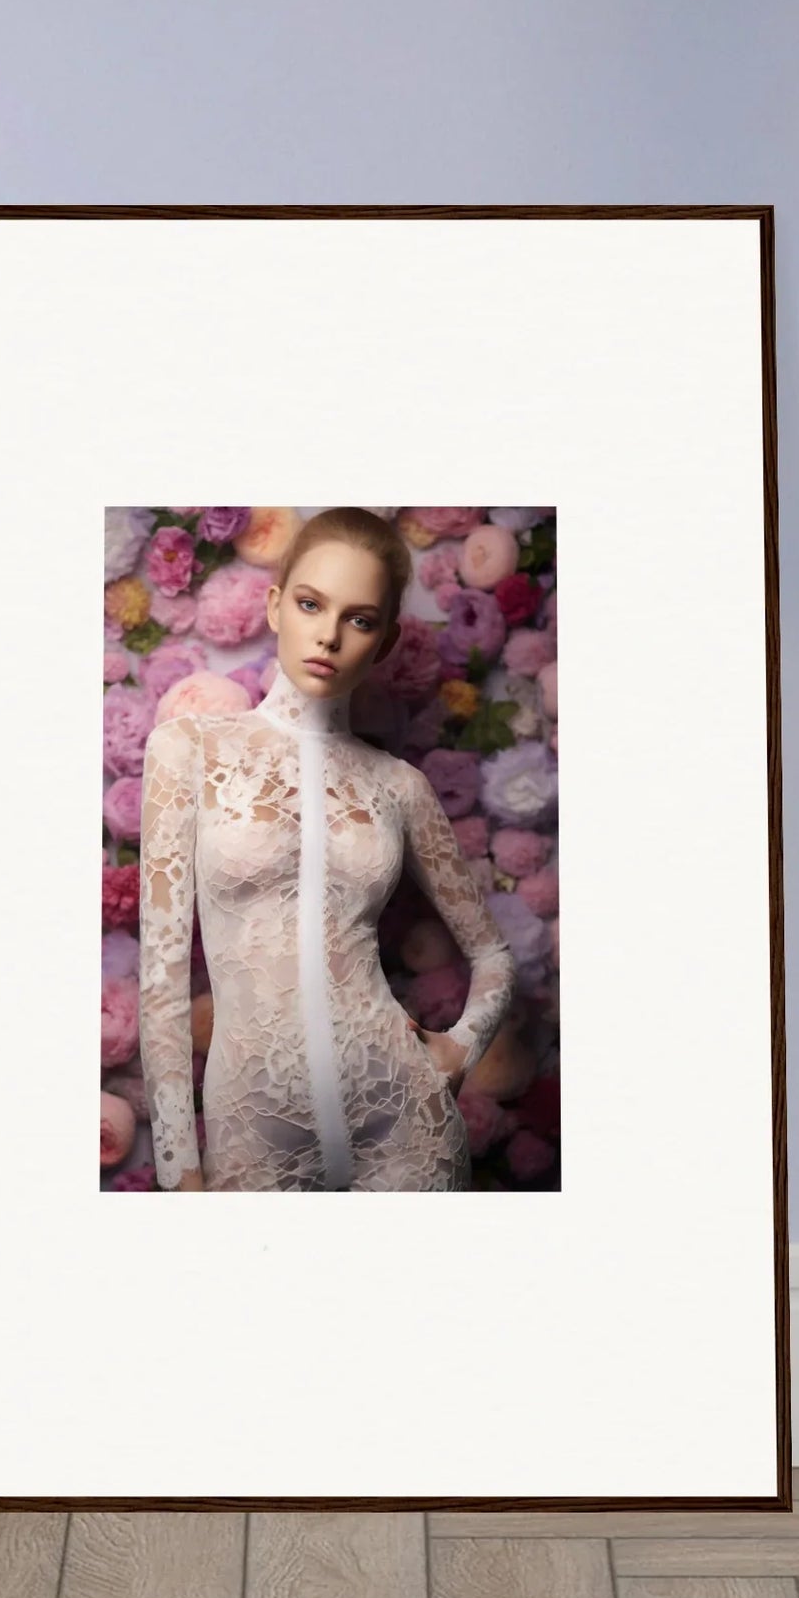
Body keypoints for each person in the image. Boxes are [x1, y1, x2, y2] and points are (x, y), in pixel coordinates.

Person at [138, 508, 517, 1192]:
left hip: (404, 1116)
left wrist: (458, 1049)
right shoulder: (189, 751)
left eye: (360, 619)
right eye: (312, 604)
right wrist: (177, 1171)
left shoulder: (400, 786)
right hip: (254, 1127)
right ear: (277, 605)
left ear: (385, 639)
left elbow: (493, 955)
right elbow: (161, 982)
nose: (330, 635)